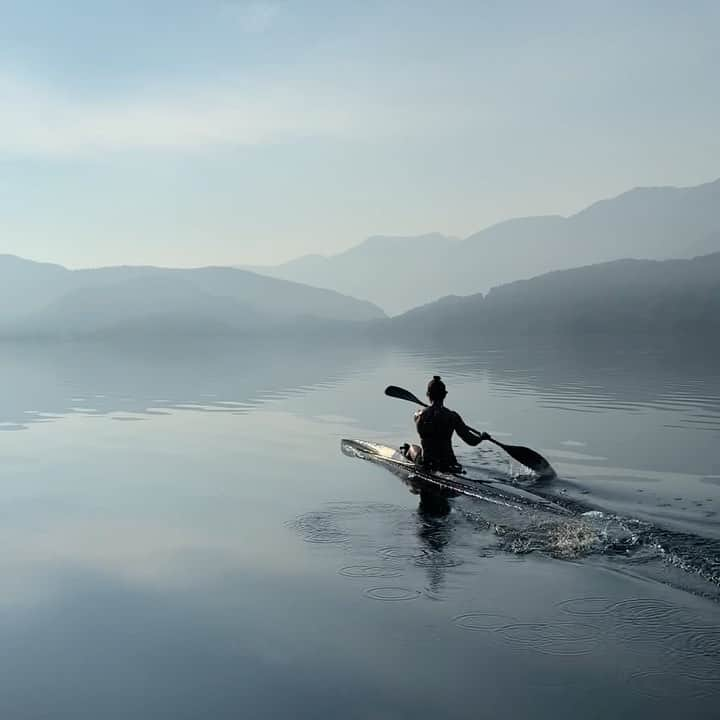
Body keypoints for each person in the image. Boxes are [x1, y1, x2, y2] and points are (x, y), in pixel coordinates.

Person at [402, 375, 488, 472]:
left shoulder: (419, 415)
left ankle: (406, 452)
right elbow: (471, 441)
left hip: (428, 462)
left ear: (428, 394)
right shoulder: (453, 416)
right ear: (445, 395)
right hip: (449, 462)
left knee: (413, 448)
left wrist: (428, 410)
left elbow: (420, 415)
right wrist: (481, 437)